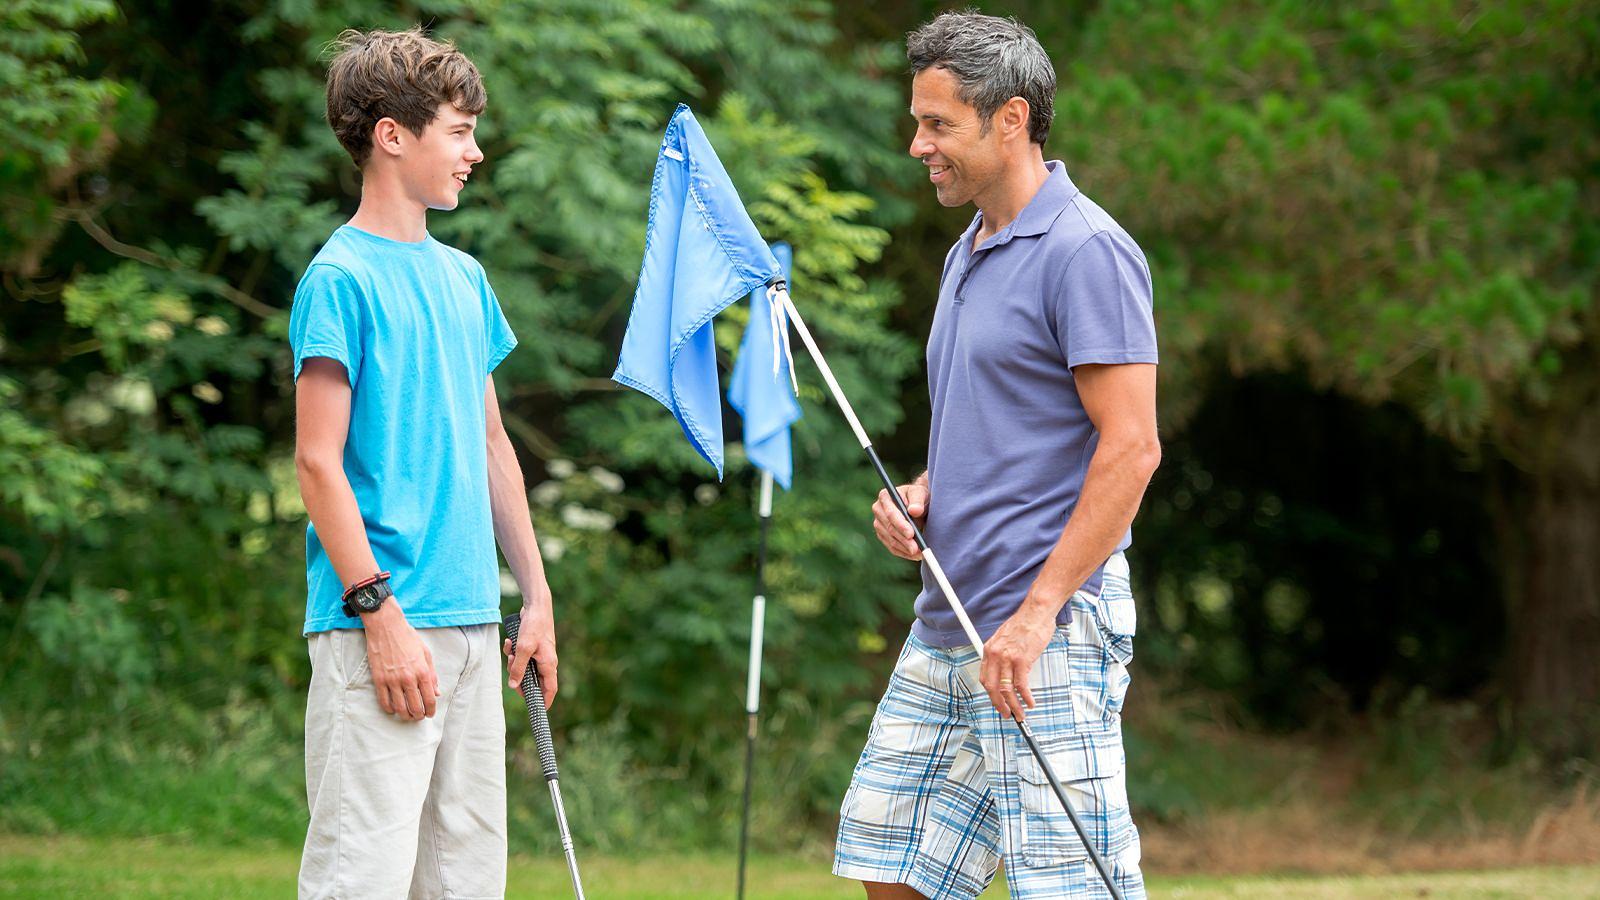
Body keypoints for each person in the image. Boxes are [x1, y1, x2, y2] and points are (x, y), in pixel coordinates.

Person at [832, 11, 1160, 899]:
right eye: (919, 121)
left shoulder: (1087, 252)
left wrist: (1042, 609)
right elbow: (998, 431)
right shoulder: (966, 253)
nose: (917, 144)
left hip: (1046, 622)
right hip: (949, 617)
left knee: (1072, 884)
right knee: (889, 863)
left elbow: (1131, 449)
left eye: (938, 123)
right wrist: (922, 493)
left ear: (1009, 120)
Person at [289, 27, 558, 899]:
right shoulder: (340, 279)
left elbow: (490, 446)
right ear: (391, 135)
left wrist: (537, 597)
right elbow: (317, 464)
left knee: (466, 885)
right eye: (458, 130)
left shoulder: (464, 278)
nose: (475, 152)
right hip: (381, 630)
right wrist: (379, 613)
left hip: (477, 628)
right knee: (358, 882)